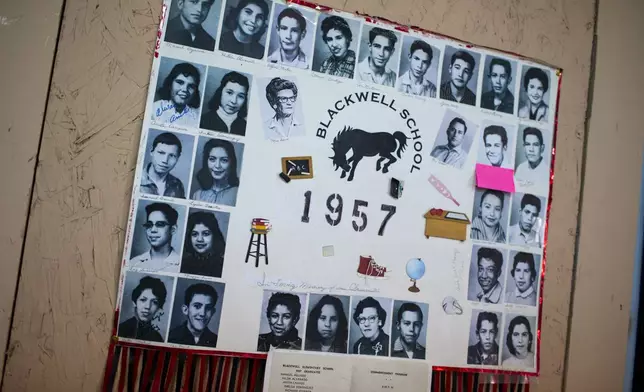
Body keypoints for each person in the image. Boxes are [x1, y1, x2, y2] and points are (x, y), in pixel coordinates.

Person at [130, 203, 181, 271]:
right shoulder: (133, 263)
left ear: (173, 229)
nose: (153, 230)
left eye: (160, 224)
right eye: (149, 225)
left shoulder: (180, 265)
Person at [168, 283, 219, 347]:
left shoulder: (216, 341)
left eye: (208, 308)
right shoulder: (170, 337)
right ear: (185, 310)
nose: (202, 313)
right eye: (197, 306)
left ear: (213, 312)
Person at [118, 276, 168, 342]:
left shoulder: (157, 338)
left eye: (154, 302)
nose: (147, 306)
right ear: (134, 302)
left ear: (158, 307)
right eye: (143, 300)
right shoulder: (120, 330)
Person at [192, 138, 240, 206]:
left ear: (232, 163)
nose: (217, 165)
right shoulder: (197, 195)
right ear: (206, 162)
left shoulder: (238, 193)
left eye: (224, 160)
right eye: (212, 159)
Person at [200, 71, 249, 136]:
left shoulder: (246, 126)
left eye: (240, 96)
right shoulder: (203, 121)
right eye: (229, 93)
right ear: (220, 92)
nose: (234, 101)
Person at [152, 62, 201, 127]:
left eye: (191, 86)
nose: (185, 89)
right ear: (170, 84)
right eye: (180, 82)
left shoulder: (197, 118)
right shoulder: (154, 109)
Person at [180, 211, 226, 277]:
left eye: (206, 234)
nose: (199, 239)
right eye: (194, 234)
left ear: (215, 236)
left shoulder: (223, 266)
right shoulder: (182, 264)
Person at [140, 132, 186, 198]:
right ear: (151, 152)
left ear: (178, 158)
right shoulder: (138, 179)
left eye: (172, 155)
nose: (165, 160)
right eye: (161, 153)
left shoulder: (177, 184)